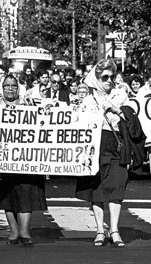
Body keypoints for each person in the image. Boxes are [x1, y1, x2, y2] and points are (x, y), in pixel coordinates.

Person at [75, 58, 129, 248]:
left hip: (115, 144)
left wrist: (115, 109)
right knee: (96, 190)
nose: (109, 81)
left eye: (112, 77)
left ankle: (114, 230)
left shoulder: (120, 95)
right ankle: (100, 230)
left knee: (116, 188)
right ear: (97, 78)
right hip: (94, 147)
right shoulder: (88, 100)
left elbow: (130, 119)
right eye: (105, 77)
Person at [0, 74, 47, 246]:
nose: (10, 89)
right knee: (7, 195)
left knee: (26, 194)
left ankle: (25, 231)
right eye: (7, 85)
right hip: (2, 159)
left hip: (26, 158)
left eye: (13, 85)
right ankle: (14, 232)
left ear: (18, 88)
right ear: (2, 88)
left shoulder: (29, 105)